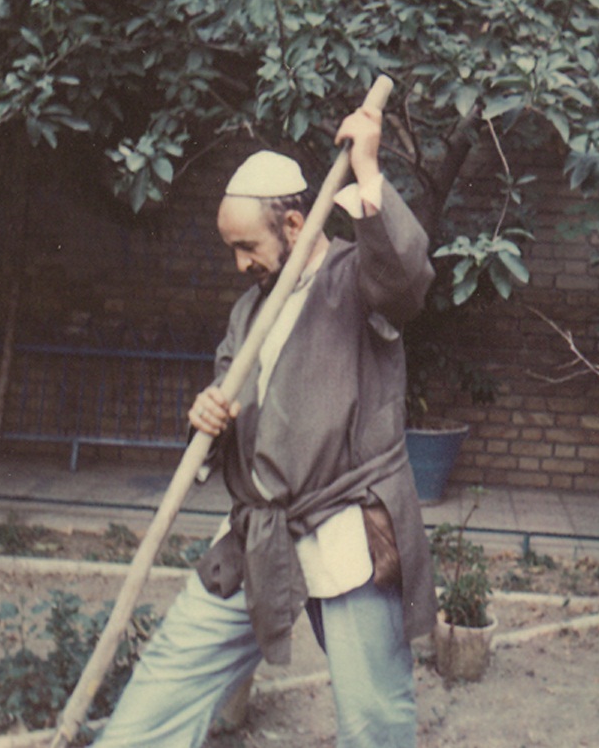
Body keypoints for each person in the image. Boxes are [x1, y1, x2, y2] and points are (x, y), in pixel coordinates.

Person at [96, 104, 438, 748]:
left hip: (347, 527)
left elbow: (407, 279)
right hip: (258, 530)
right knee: (166, 682)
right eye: (232, 249)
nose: (239, 264)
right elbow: (233, 410)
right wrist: (210, 420)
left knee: (372, 719)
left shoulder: (356, 281)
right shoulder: (248, 313)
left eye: (247, 247)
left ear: (294, 224)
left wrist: (368, 170)